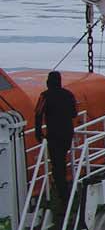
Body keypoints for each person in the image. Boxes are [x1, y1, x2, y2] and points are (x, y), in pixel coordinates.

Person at [33, 71, 78, 202]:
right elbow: (74, 113)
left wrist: (38, 132)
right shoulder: (69, 95)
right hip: (67, 133)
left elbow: (38, 114)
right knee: (62, 160)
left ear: (48, 82)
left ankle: (62, 192)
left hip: (53, 134)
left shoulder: (44, 96)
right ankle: (64, 189)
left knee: (56, 163)